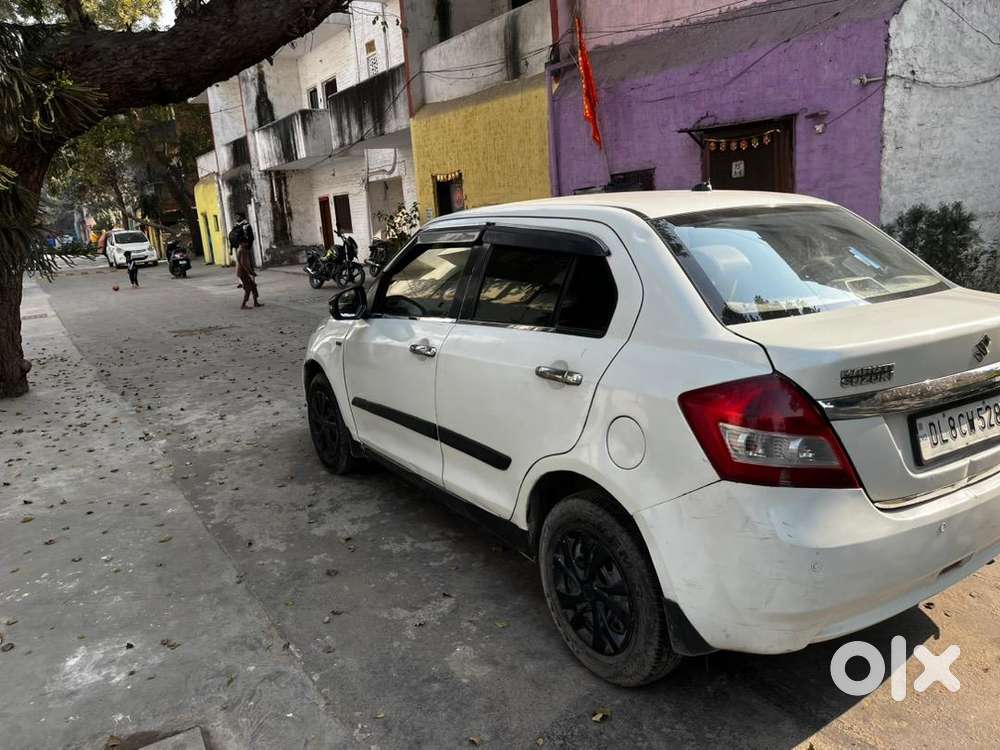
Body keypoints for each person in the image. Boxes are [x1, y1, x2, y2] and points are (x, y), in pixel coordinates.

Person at [236, 241, 261, 309]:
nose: (248, 243)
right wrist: (251, 272)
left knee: (253, 286)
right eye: (246, 242)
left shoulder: (241, 249)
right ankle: (243, 305)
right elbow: (244, 263)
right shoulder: (243, 250)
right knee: (248, 288)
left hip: (242, 272)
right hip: (243, 272)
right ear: (242, 242)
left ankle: (255, 302)